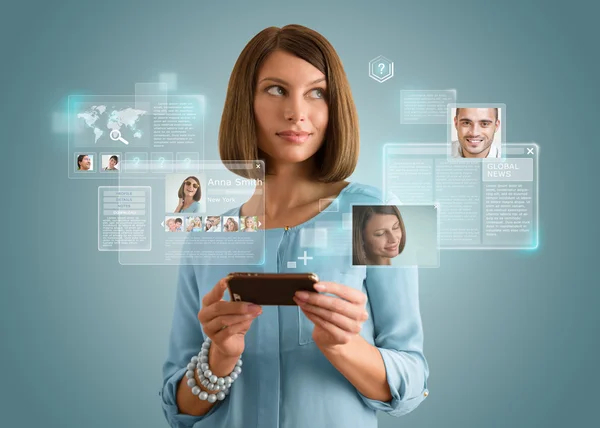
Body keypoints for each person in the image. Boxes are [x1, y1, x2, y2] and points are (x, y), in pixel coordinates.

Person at [161, 25, 429, 428]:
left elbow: (415, 382)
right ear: (244, 103)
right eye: (275, 89)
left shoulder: (382, 211)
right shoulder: (205, 237)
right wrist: (220, 356)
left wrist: (344, 347)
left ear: (335, 104)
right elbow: (176, 410)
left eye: (316, 93)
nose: (297, 113)